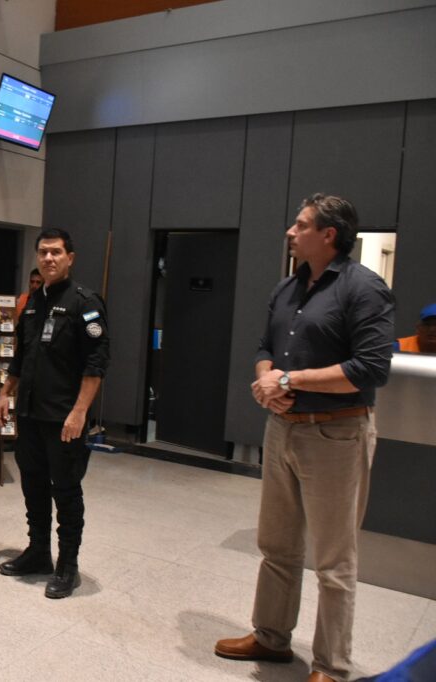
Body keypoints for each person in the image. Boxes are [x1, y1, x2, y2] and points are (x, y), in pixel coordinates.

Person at [214, 194, 395, 682]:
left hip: (337, 434)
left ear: (328, 235)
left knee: (334, 560)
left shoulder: (364, 289)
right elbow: (265, 346)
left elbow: (372, 369)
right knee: (278, 545)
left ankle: (331, 667)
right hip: (283, 431)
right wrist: (266, 379)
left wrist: (291, 382)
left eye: (300, 225)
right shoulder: (287, 287)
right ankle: (271, 637)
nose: (290, 233)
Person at [0, 227, 109, 599]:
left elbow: (96, 364)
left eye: (56, 252)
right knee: (33, 486)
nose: (48, 259)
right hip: (30, 415)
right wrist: (5, 392)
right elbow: (21, 353)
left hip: (64, 419)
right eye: (43, 252)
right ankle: (39, 552)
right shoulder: (31, 301)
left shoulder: (85, 303)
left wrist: (79, 413)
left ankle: (67, 566)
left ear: (70, 258)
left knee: (66, 491)